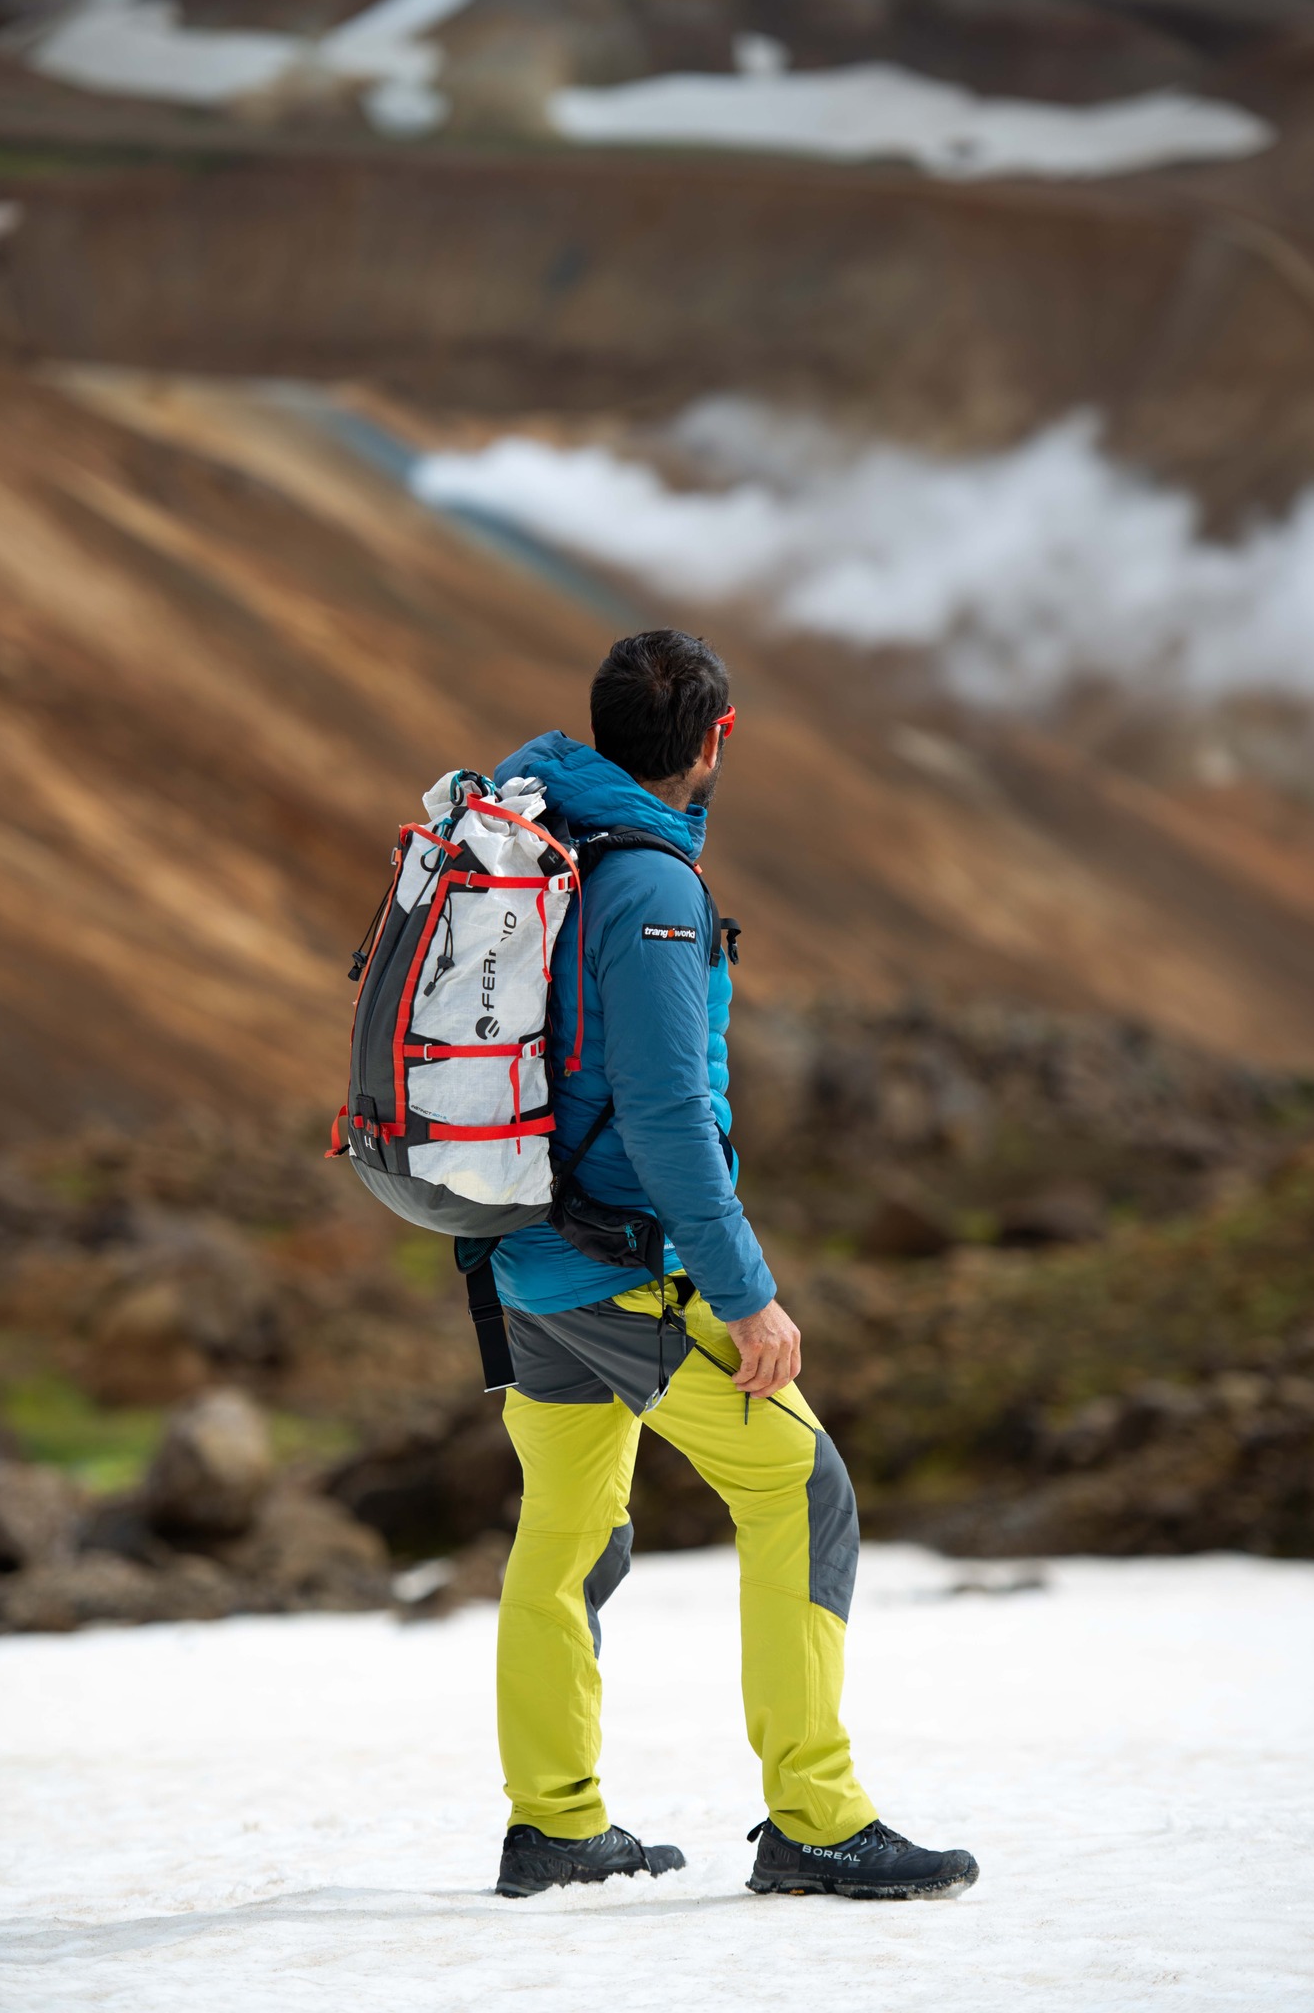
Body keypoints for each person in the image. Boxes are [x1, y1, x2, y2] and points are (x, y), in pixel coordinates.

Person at [489, 630, 978, 1903]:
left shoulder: (553, 848)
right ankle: (815, 1815)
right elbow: (664, 1119)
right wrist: (747, 1291)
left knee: (565, 1528)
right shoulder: (649, 890)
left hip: (524, 1255)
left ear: (605, 730)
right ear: (719, 737)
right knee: (801, 1486)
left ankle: (553, 1821)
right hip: (615, 1264)